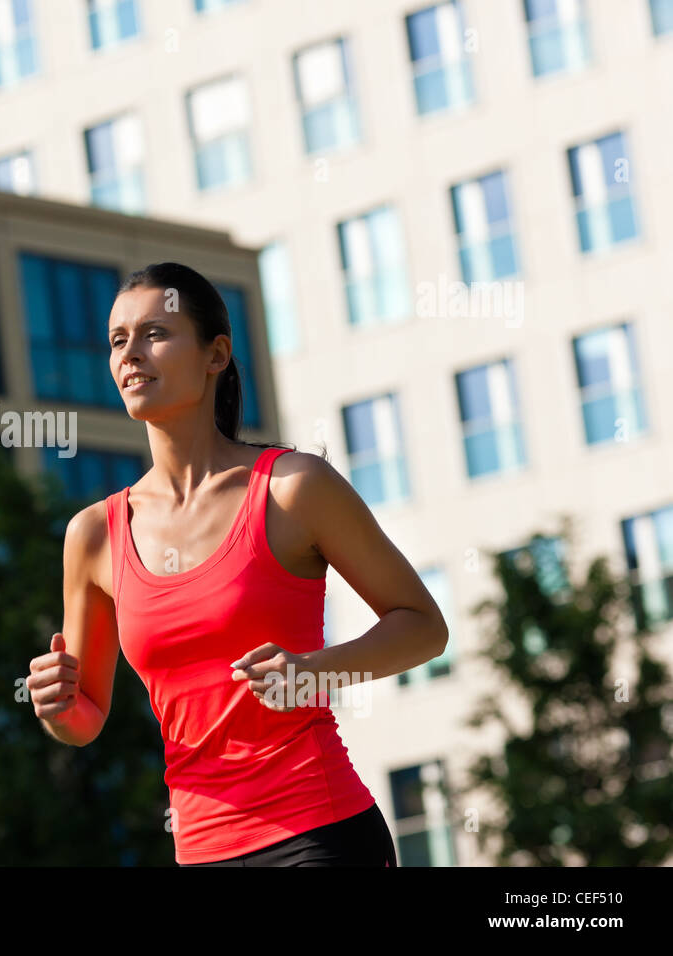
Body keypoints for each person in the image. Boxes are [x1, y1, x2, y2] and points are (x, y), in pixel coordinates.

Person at [25, 261, 448, 866]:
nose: (131, 354)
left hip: (319, 832)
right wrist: (57, 705)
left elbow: (424, 626)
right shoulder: (94, 535)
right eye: (118, 340)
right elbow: (86, 716)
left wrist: (315, 671)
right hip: (201, 850)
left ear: (216, 354)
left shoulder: (292, 489)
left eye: (155, 333)